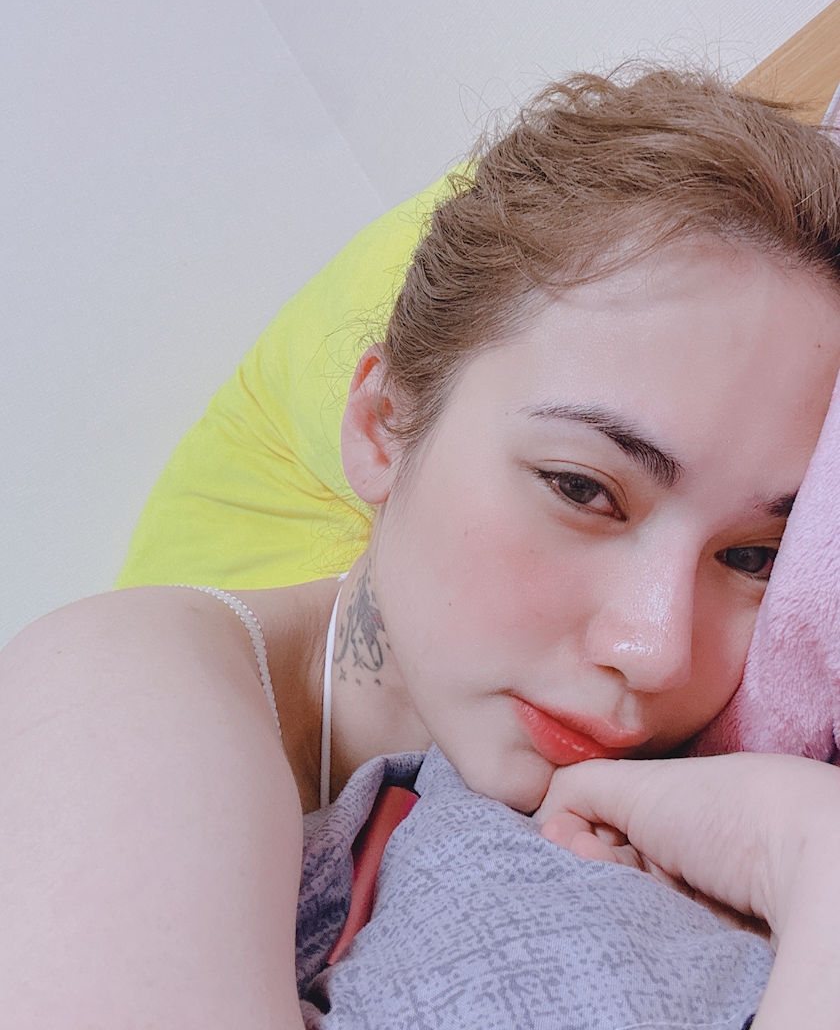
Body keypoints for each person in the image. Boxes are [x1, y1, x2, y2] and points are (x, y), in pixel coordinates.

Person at [4, 67, 840, 1029]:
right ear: (384, 423)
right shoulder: (117, 688)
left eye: (753, 558)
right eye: (582, 488)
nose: (656, 650)